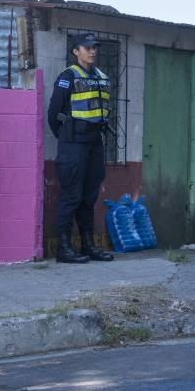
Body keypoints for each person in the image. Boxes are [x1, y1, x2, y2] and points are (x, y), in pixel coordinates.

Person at [47, 32, 114, 264]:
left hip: (95, 143)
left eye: (94, 47)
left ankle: (88, 245)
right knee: (71, 196)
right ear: (76, 51)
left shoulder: (102, 77)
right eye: (87, 47)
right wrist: (67, 137)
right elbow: (53, 114)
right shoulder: (68, 76)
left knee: (89, 196)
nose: (92, 51)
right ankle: (64, 249)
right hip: (73, 143)